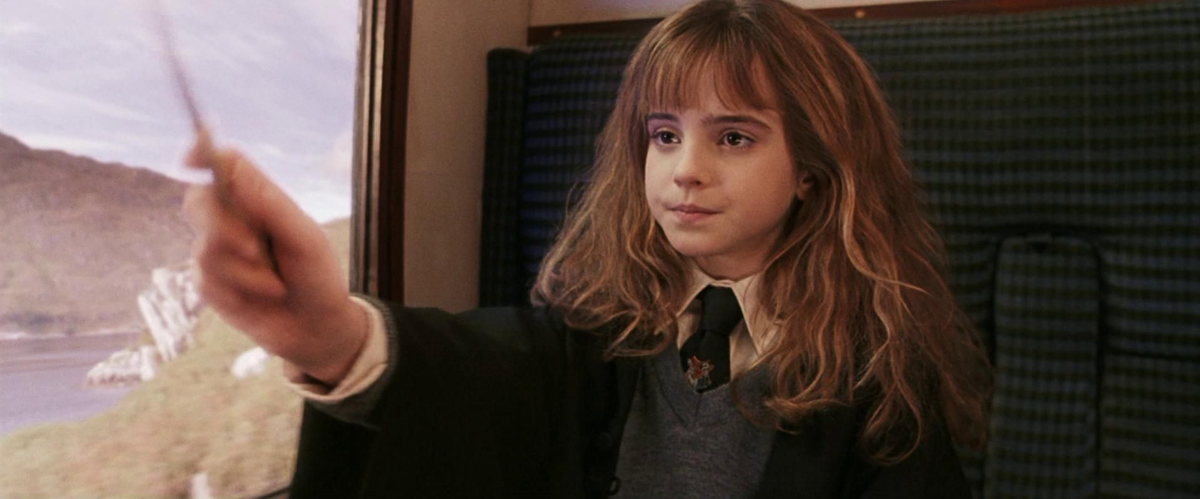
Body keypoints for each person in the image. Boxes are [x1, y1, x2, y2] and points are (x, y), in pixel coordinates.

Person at [183, 0, 993, 497]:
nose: (685, 170)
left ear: (811, 170)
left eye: (734, 137)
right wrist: (333, 337)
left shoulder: (882, 374)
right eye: (664, 135)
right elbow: (481, 369)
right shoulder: (598, 322)